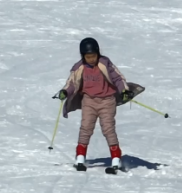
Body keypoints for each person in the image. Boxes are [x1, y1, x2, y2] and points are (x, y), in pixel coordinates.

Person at [54, 37, 141, 174]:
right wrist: (65, 91)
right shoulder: (79, 67)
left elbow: (118, 78)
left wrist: (124, 91)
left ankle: (116, 159)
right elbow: (72, 83)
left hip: (107, 101)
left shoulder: (105, 64)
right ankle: (80, 158)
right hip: (89, 101)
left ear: (98, 53)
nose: (91, 59)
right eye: (88, 57)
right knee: (86, 128)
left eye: (93, 56)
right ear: (83, 56)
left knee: (108, 129)